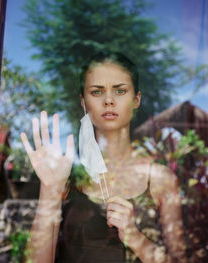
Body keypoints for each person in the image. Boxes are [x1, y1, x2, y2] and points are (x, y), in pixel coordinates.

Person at [20, 51, 187, 263]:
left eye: (120, 91)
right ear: (83, 101)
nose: (108, 100)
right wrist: (50, 191)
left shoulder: (159, 178)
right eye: (97, 92)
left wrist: (134, 237)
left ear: (136, 99)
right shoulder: (65, 176)